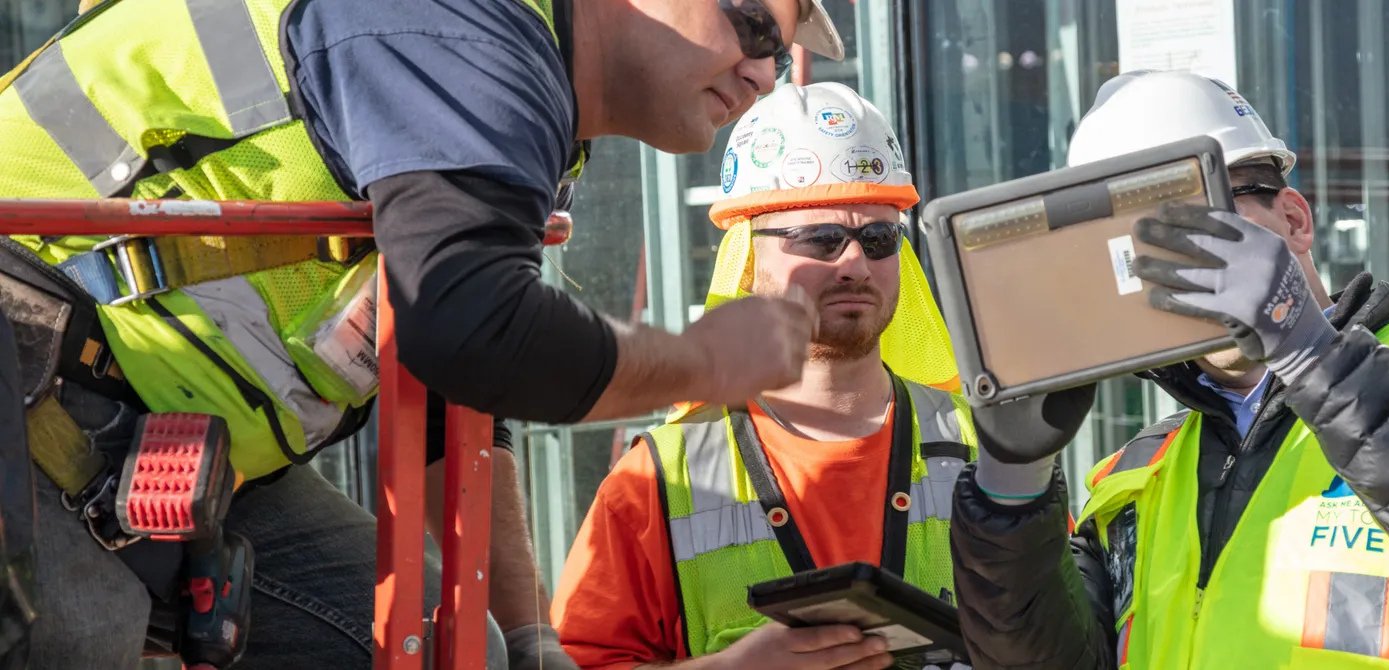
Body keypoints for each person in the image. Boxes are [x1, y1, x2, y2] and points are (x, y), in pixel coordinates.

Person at [0, 0, 849, 667]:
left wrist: (527, 639)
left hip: (155, 428)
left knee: (453, 653)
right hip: (23, 360)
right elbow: (474, 330)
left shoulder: (514, 84)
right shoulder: (460, 28)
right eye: (750, 26)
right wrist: (703, 359)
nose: (766, 72)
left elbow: (450, 382)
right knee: (71, 635)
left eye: (778, 49)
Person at [948, 69, 1389, 669]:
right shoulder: (1136, 474)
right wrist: (1013, 485)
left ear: (1293, 219)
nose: (1177, 259)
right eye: (1137, 241)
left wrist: (1306, 347)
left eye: (1200, 213)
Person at [549, 82, 1104, 670]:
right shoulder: (656, 481)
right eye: (820, 238)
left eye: (879, 237)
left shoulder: (994, 451)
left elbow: (1060, 640)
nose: (854, 262)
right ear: (746, 254)